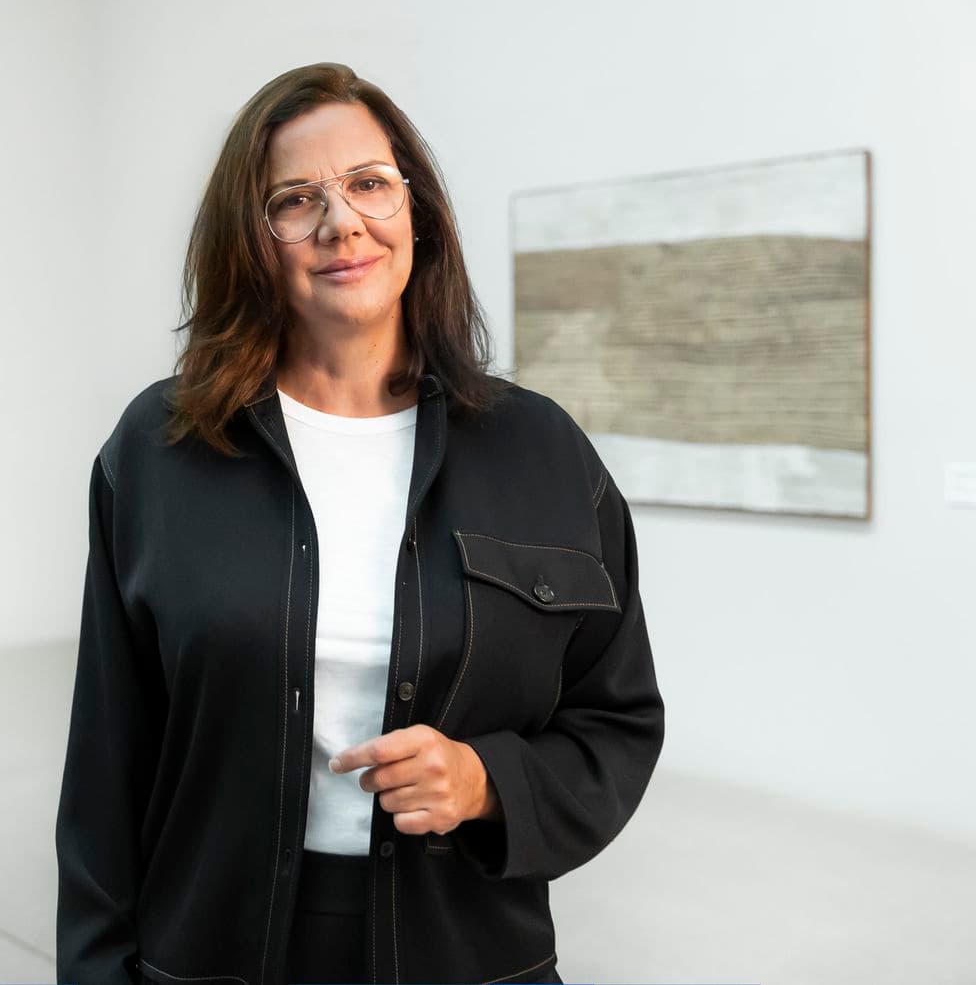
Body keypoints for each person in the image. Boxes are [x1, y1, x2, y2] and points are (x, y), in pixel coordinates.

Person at [55, 62, 665, 985]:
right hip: (212, 951)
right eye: (295, 200)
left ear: (416, 209)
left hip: (468, 954)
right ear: (250, 241)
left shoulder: (541, 451)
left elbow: (615, 719)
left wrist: (488, 781)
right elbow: (107, 763)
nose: (342, 222)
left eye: (370, 184)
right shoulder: (158, 450)